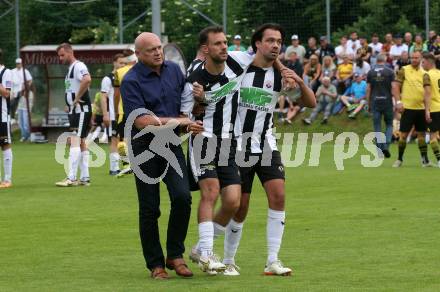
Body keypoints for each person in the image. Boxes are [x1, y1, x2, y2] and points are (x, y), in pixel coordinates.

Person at [222, 23, 315, 276]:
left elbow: (309, 102)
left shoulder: (282, 75)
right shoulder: (238, 66)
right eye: (270, 40)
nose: (276, 45)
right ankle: (228, 260)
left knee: (279, 196)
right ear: (258, 44)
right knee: (240, 207)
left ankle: (273, 261)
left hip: (266, 144)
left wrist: (300, 82)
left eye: (279, 41)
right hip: (238, 146)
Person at [120, 32, 196, 280]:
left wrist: (194, 111)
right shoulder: (131, 80)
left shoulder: (174, 70)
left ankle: (175, 255)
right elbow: (142, 122)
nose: (157, 52)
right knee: (150, 208)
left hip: (171, 141)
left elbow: (186, 102)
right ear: (138, 54)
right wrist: (179, 121)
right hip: (143, 146)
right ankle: (155, 264)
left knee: (183, 197)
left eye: (159, 47)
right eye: (151, 49)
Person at [182, 26, 253, 275]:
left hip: (229, 142)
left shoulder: (238, 62)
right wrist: (198, 102)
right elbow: (185, 115)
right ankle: (209, 255)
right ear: (206, 49)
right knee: (210, 193)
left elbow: (266, 53)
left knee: (233, 201)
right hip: (204, 140)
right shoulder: (194, 79)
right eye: (218, 44)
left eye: (225, 43)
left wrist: (285, 71)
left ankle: (201, 247)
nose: (224, 47)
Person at [55, 43, 92, 187]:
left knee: (74, 140)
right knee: (80, 142)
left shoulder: (78, 66)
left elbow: (87, 79)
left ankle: (71, 177)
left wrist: (76, 98)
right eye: (59, 55)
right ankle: (85, 177)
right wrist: (69, 103)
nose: (60, 58)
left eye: (62, 55)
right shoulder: (71, 69)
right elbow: (72, 88)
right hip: (75, 110)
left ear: (70, 52)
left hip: (81, 109)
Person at [392, 51, 431, 167]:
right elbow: (395, 86)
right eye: (412, 58)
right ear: (410, 58)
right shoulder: (404, 70)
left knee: (421, 136)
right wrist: (398, 102)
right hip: (407, 108)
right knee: (403, 135)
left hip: (421, 109)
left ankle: (425, 160)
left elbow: (428, 93)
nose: (414, 59)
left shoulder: (425, 73)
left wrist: (427, 110)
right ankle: (399, 159)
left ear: (421, 59)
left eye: (416, 58)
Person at [113, 49, 137, 177]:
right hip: (141, 110)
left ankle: (127, 165)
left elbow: (116, 94)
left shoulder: (119, 72)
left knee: (122, 140)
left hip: (124, 110)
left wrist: (116, 109)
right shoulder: (142, 70)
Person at [100, 53, 125, 175]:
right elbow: (103, 97)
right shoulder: (108, 79)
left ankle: (126, 166)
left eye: (124, 63)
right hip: (114, 115)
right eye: (120, 63)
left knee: (125, 141)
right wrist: (105, 114)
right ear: (114, 63)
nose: (122, 65)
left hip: (124, 114)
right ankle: (114, 168)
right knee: (114, 141)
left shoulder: (126, 77)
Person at [366, 54, 395, 158]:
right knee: (389, 124)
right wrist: (396, 101)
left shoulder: (370, 72)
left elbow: (368, 89)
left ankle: (379, 148)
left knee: (377, 125)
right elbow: (393, 87)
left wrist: (367, 103)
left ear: (376, 60)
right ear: (385, 59)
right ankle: (386, 145)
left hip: (375, 101)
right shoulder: (390, 72)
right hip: (387, 101)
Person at [421, 53, 440, 166]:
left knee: (432, 136)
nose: (422, 64)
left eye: (423, 62)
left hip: (434, 109)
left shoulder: (427, 75)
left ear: (428, 62)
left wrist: (427, 110)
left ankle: (439, 160)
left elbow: (427, 93)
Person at [0, 49, 13, 188]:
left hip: (2, 116)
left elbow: (7, 93)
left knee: (5, 144)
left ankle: (7, 179)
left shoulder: (6, 72)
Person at [11, 58, 32, 139]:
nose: (18, 65)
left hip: (22, 93)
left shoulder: (25, 71)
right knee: (12, 106)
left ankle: (27, 135)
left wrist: (26, 89)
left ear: (22, 63)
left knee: (24, 114)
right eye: (17, 63)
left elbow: (30, 80)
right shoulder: (12, 71)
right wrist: (10, 91)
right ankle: (13, 117)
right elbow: (9, 82)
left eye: (19, 63)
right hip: (14, 93)